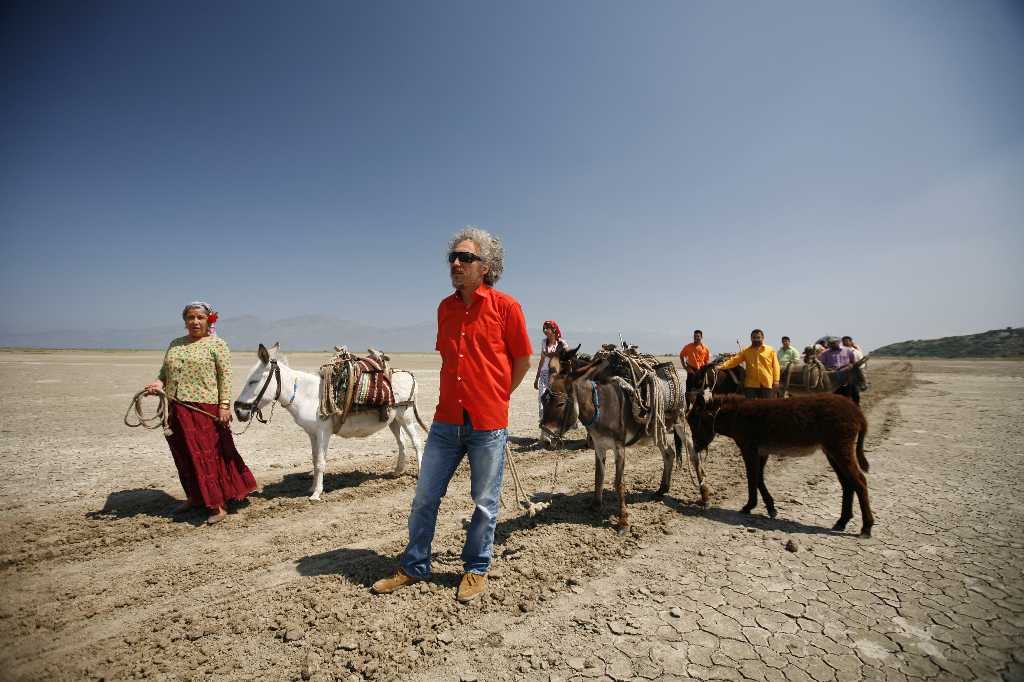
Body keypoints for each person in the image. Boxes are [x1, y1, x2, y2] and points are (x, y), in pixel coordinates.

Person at [372, 227, 532, 603]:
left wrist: (498, 396)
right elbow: (450, 359)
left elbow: (523, 360)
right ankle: (414, 565)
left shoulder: (507, 307)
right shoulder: (445, 309)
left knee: (483, 503)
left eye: (466, 258)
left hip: (488, 424)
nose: (456, 264)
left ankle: (475, 569)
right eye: (452, 258)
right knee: (424, 497)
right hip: (446, 421)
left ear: (486, 266)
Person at [143, 302, 258, 524]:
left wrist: (224, 405)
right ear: (185, 321)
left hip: (205, 408)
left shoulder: (217, 345)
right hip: (175, 407)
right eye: (190, 318)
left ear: (209, 320)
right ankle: (194, 497)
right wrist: (158, 384)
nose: (195, 322)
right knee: (183, 453)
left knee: (206, 455)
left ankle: (217, 505)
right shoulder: (175, 344)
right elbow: (164, 372)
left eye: (200, 318)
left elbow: (225, 377)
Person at [716, 329, 780, 399]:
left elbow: (776, 366)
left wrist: (776, 381)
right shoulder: (746, 351)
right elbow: (734, 360)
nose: (756, 339)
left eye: (758, 337)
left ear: (763, 338)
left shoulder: (770, 350)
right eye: (754, 338)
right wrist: (721, 366)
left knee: (766, 407)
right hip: (751, 385)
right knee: (750, 407)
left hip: (766, 383)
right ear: (751, 338)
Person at [533, 320, 568, 446]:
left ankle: (555, 434)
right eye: (544, 328)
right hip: (543, 376)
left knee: (554, 406)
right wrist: (537, 378)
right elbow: (542, 361)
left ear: (553, 330)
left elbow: (567, 360)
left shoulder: (562, 343)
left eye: (547, 328)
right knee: (542, 404)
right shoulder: (543, 343)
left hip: (556, 378)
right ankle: (544, 436)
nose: (545, 331)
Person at [819, 336, 860, 404]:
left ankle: (856, 406)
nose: (831, 345)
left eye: (833, 343)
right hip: (832, 376)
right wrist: (828, 369)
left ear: (838, 342)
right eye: (830, 343)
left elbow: (853, 362)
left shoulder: (848, 350)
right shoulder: (825, 353)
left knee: (853, 393)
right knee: (834, 394)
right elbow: (822, 365)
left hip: (846, 376)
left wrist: (849, 367)